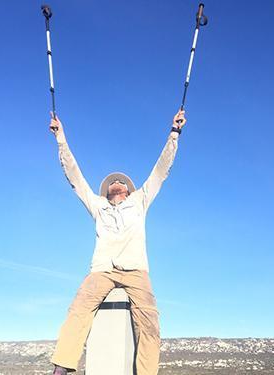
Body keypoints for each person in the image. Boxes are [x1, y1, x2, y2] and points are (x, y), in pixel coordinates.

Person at [49, 109, 186, 375]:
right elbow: (74, 177)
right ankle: (62, 367)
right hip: (102, 270)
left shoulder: (140, 201)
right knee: (78, 308)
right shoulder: (98, 207)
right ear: (108, 191)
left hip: (136, 271)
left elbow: (161, 170)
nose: (117, 181)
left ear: (128, 189)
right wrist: (61, 140)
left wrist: (174, 133)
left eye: (121, 181)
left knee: (149, 323)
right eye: (113, 181)